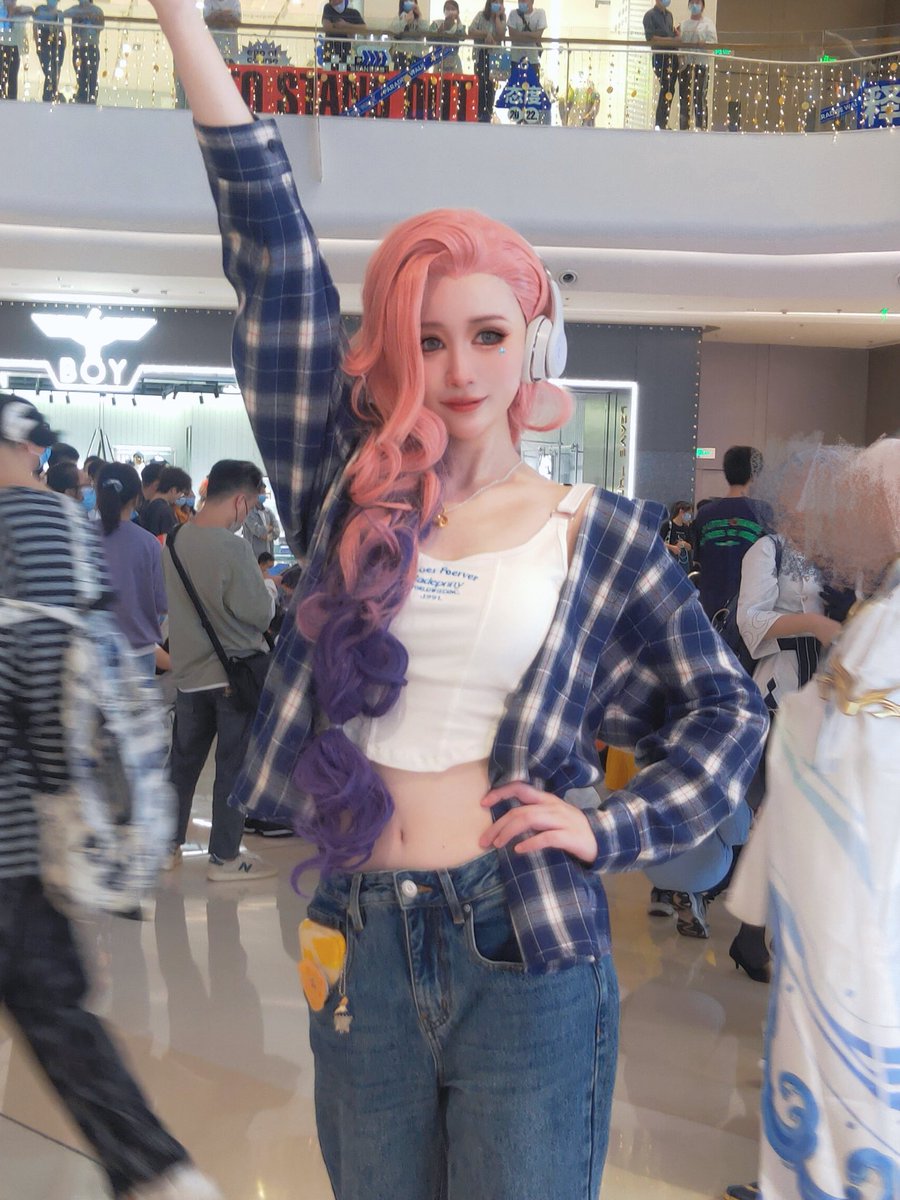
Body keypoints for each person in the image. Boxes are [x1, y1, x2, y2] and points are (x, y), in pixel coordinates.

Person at [146, 6, 769, 1193]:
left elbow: (730, 712)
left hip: (523, 936)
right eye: (429, 340)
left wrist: (612, 827)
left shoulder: (599, 535)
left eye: (489, 334)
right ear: (395, 351)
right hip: (357, 929)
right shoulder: (348, 487)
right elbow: (271, 257)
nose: (462, 368)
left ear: (535, 342)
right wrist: (184, 23)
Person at [0, 393, 222, 1200]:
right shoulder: (46, 531)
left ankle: (154, 1169)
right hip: (16, 845)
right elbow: (51, 693)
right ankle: (156, 1171)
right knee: (57, 1012)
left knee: (54, 1009)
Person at [725, 437, 900, 1200]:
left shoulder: (883, 613)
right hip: (845, 865)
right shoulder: (868, 602)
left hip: (858, 870)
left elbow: (858, 741)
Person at [163, 459, 276, 881]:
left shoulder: (176, 539)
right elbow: (257, 613)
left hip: (189, 676)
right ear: (241, 500)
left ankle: (166, 847)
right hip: (234, 676)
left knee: (182, 765)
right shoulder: (234, 548)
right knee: (231, 768)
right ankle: (225, 859)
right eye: (254, 504)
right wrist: (268, 592)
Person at [96, 462, 167, 680]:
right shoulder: (149, 543)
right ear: (137, 498)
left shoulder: (80, 536)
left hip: (91, 650)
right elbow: (161, 604)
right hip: (139, 650)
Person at [693, 445, 766, 620]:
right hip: (751, 609)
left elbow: (699, 559)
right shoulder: (763, 512)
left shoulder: (705, 513)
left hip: (709, 606)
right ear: (754, 474)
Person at [677, 0, 715, 130]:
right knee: (684, 96)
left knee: (700, 96)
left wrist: (705, 43)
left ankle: (701, 127)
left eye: (697, 2)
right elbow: (679, 43)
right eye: (692, 2)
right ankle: (684, 127)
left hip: (702, 64)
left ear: (703, 6)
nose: (694, 5)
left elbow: (714, 45)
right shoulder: (683, 24)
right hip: (685, 65)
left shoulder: (708, 24)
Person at [643, 0, 679, 130]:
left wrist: (676, 36)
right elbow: (651, 38)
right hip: (659, 56)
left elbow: (670, 33)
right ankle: (660, 123)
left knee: (670, 88)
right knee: (666, 86)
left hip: (672, 55)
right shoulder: (650, 15)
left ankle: (663, 122)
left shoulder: (669, 15)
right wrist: (671, 40)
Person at [469, 0, 506, 122]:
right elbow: (471, 30)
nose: (497, 5)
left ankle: (488, 113)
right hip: (481, 54)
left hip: (495, 56)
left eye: (499, 2)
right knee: (480, 83)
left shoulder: (502, 18)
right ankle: (479, 112)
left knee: (491, 85)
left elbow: (501, 34)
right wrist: (486, 34)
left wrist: (497, 17)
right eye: (494, 2)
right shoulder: (481, 15)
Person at [66, 0, 103, 103]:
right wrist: (82, 13)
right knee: (80, 73)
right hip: (78, 46)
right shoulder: (76, 9)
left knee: (92, 74)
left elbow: (100, 26)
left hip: (91, 45)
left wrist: (90, 17)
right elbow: (65, 13)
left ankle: (91, 97)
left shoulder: (96, 10)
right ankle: (82, 96)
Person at [139, 466, 191, 539]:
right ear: (174, 490)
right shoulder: (166, 512)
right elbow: (171, 540)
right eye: (181, 493)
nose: (180, 497)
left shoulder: (145, 506)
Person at [32, 0, 66, 101]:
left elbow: (61, 29)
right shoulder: (40, 9)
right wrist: (37, 43)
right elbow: (35, 26)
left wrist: (64, 43)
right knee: (49, 70)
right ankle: (49, 95)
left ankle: (53, 93)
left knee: (56, 68)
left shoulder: (60, 13)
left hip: (57, 40)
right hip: (45, 38)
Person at [320, 0, 366, 69]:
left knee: (346, 69)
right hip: (330, 48)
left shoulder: (353, 12)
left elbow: (363, 28)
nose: (332, 2)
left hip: (346, 49)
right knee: (329, 71)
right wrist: (338, 26)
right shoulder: (328, 8)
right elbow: (326, 26)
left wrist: (346, 25)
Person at [0, 0, 30, 101]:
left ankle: (12, 98)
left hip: (14, 46)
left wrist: (17, 10)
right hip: (2, 45)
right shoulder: (2, 12)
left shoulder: (20, 14)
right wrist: (8, 14)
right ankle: (2, 96)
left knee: (12, 75)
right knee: (2, 75)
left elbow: (31, 11)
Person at [239, 486, 280, 558]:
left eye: (264, 492)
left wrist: (268, 537)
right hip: (254, 557)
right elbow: (259, 531)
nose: (264, 495)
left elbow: (277, 531)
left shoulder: (268, 512)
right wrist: (270, 528)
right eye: (262, 492)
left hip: (268, 556)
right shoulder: (248, 513)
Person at [428, 0, 465, 74]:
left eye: (453, 9)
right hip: (438, 59)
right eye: (448, 9)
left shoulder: (459, 26)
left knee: (456, 80)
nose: (450, 11)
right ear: (444, 11)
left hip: (454, 61)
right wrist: (438, 32)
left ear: (457, 12)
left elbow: (462, 37)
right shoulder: (436, 24)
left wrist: (458, 19)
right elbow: (429, 40)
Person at [660, 499, 693, 572]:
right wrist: (672, 547)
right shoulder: (667, 525)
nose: (689, 517)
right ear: (681, 511)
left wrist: (685, 544)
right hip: (669, 562)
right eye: (688, 514)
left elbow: (690, 546)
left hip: (684, 564)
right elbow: (659, 542)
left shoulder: (686, 528)